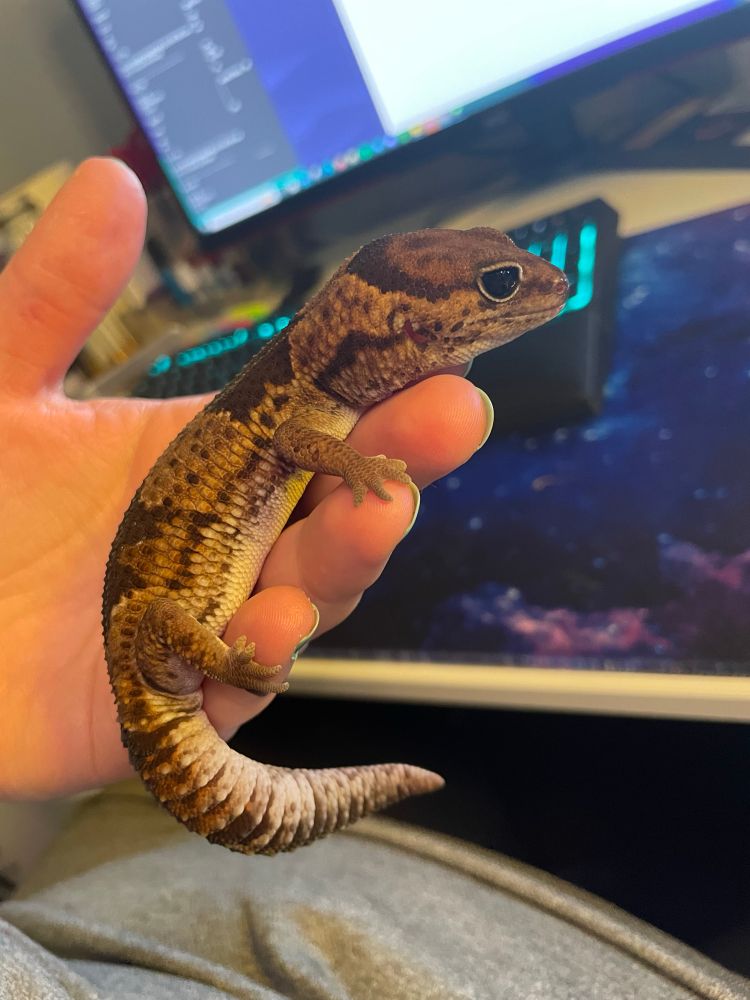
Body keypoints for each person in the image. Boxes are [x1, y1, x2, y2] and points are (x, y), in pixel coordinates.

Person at [0, 159, 745, 999]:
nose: (539, 286)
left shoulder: (310, 389)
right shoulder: (305, 410)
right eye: (498, 286)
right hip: (164, 667)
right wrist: (228, 656)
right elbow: (299, 447)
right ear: (401, 328)